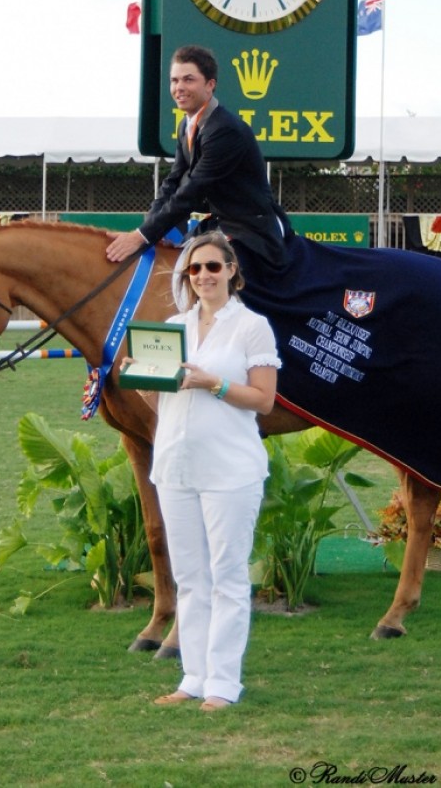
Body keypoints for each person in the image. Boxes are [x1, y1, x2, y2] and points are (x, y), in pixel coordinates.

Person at [124, 231, 280, 711]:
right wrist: (142, 377)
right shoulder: (173, 325)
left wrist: (213, 383)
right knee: (190, 577)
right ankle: (193, 677)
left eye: (213, 267)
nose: (204, 276)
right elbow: (159, 397)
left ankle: (223, 684)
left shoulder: (252, 327)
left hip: (231, 468)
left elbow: (264, 399)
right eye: (195, 269)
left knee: (227, 575)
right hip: (175, 465)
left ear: (231, 270)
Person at [106, 44, 290, 282]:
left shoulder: (225, 130)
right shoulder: (186, 125)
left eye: (188, 79)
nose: (178, 88)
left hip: (250, 230)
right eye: (174, 80)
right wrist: (150, 227)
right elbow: (173, 182)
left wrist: (141, 236)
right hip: (217, 224)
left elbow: (192, 190)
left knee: (209, 277)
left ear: (210, 85)